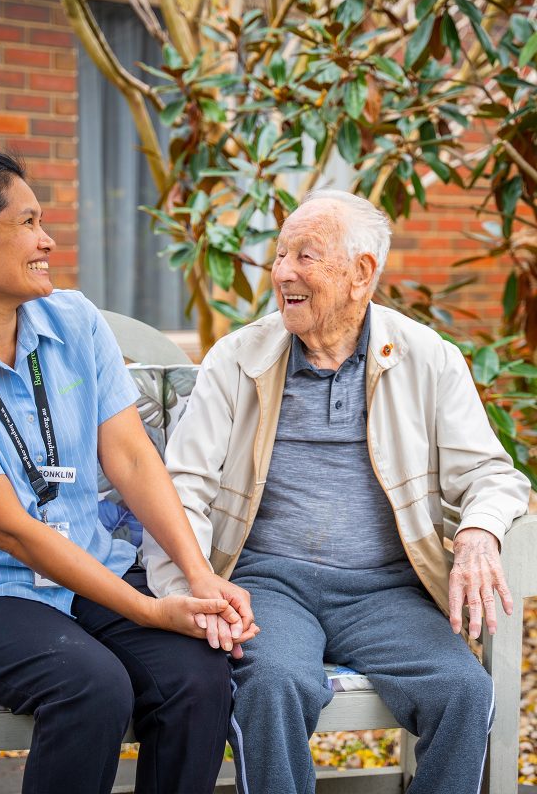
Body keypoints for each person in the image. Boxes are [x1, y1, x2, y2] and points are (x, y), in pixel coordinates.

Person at [142, 190, 531, 794]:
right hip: (268, 584)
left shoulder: (428, 358)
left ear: (361, 273)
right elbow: (184, 485)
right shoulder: (238, 359)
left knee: (463, 690)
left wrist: (480, 530)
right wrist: (190, 586)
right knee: (275, 686)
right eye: (279, 256)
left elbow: (492, 474)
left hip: (386, 589)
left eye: (305, 256)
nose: (282, 273)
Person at [0, 149, 257, 794]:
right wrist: (146, 609)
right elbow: (12, 531)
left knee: (197, 678)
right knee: (89, 686)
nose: (46, 239)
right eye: (26, 224)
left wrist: (198, 579)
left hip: (88, 570)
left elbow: (134, 456)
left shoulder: (75, 320)